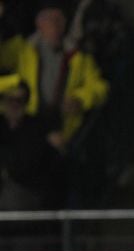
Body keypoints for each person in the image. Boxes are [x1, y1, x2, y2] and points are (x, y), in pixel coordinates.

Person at [0, 5, 108, 147]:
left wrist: (80, 98)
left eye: (61, 21)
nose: (59, 26)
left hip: (61, 126)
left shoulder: (78, 56)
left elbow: (101, 87)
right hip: (25, 122)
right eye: (53, 21)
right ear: (40, 25)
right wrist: (14, 86)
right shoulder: (22, 49)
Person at [0, 82, 64, 210]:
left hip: (27, 191)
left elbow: (35, 165)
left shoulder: (37, 127)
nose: (14, 105)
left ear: (26, 102)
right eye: (10, 99)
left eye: (19, 100)